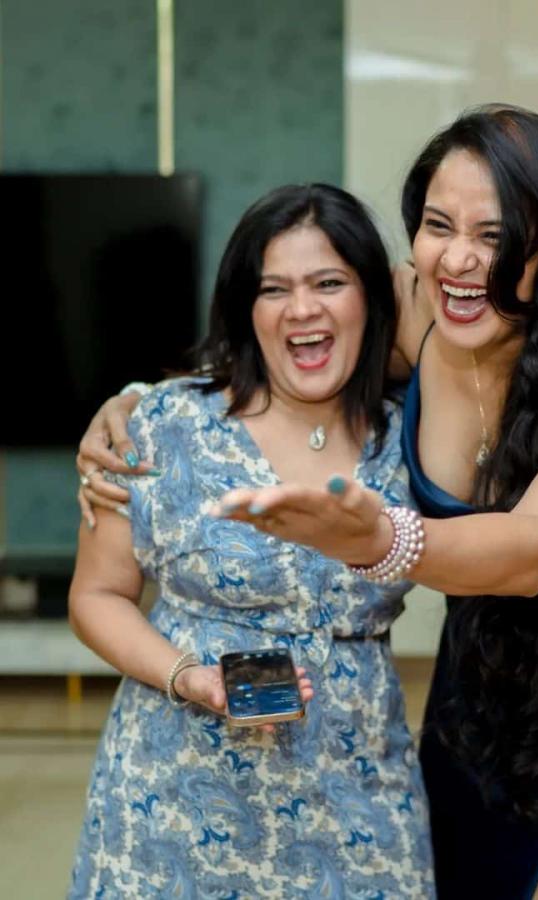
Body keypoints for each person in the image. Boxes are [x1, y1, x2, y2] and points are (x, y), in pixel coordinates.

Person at [195, 105, 538, 899]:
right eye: (437, 226)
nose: (457, 260)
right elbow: (285, 347)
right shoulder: (421, 310)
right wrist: (140, 408)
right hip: (484, 671)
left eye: (495, 235)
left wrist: (381, 541)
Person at [67, 184, 435, 898]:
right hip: (173, 803)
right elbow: (96, 595)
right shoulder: (161, 425)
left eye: (329, 283)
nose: (302, 309)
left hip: (357, 795)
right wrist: (187, 676)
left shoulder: (411, 439)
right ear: (247, 309)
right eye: (274, 289)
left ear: (370, 300)